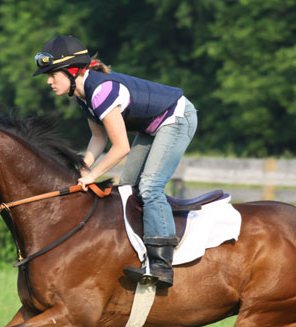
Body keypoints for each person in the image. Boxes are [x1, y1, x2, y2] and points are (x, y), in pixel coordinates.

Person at [33, 35, 197, 288]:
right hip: (151, 126)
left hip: (177, 117)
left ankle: (162, 265)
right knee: (129, 188)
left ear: (73, 71)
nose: (49, 81)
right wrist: (82, 170)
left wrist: (92, 175)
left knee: (150, 187)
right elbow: (98, 138)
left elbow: (120, 148)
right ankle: (137, 251)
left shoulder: (101, 91)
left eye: (53, 73)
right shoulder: (82, 96)